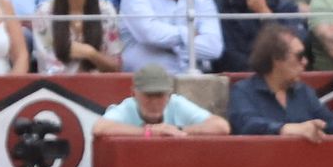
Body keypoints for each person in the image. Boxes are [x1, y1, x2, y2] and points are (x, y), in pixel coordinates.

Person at [228, 23, 333, 135]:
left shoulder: (303, 92)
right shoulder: (243, 91)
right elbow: (247, 124)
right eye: (299, 55)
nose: (305, 62)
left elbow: (331, 124)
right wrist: (287, 129)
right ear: (277, 58)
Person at [92, 61, 230, 133]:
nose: (154, 102)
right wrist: (148, 133)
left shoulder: (177, 104)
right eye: (148, 95)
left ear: (169, 95)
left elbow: (221, 126)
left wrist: (179, 130)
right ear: (134, 94)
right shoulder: (127, 108)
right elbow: (99, 128)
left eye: (159, 95)